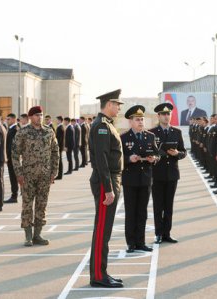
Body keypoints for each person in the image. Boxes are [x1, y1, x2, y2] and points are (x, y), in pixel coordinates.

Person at [88, 89, 124, 288]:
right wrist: (108, 188)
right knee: (102, 230)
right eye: (117, 104)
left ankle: (101, 271)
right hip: (106, 182)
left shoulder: (107, 125)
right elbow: (101, 159)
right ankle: (99, 275)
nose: (119, 108)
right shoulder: (102, 126)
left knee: (105, 230)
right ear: (109, 104)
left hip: (110, 180)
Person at [12, 106, 59, 246]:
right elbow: (15, 155)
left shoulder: (49, 132)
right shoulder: (23, 132)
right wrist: (19, 174)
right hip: (28, 176)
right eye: (36, 115)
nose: (39, 117)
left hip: (44, 176)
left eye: (41, 115)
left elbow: (55, 152)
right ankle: (28, 235)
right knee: (27, 205)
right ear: (30, 117)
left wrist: (53, 172)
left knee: (41, 205)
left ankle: (37, 234)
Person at [121, 105, 159, 253]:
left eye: (142, 119)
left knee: (142, 212)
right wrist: (129, 158)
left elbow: (157, 154)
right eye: (137, 120)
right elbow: (118, 158)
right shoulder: (124, 137)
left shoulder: (149, 136)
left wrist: (153, 159)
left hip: (145, 179)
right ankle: (131, 242)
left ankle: (141, 241)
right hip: (130, 179)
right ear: (130, 122)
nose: (141, 122)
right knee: (131, 211)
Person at [150, 103, 186, 244]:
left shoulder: (177, 132)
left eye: (168, 114)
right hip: (157, 173)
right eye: (163, 114)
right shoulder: (152, 133)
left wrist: (177, 153)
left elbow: (184, 152)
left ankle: (167, 233)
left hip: (172, 173)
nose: (166, 116)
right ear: (158, 116)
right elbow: (148, 151)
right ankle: (158, 233)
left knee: (169, 206)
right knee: (158, 206)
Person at [4, 113, 19, 204]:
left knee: (13, 177)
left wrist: (8, 157)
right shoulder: (11, 129)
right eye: (6, 119)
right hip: (11, 157)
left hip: (13, 158)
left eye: (8, 119)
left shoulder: (14, 130)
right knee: (12, 177)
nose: (7, 121)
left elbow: (12, 146)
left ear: (13, 119)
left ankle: (14, 196)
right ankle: (14, 195)